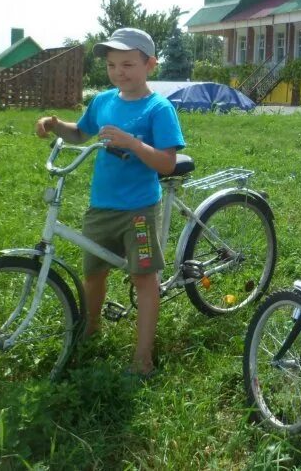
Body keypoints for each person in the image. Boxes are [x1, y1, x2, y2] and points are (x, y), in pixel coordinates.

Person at [36, 27, 185, 378]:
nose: (120, 72)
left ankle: (143, 356)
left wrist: (133, 144)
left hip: (138, 210)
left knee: (144, 278)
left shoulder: (158, 108)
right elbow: (80, 133)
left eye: (129, 64)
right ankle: (90, 332)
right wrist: (56, 124)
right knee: (93, 274)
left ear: (150, 65)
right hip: (101, 206)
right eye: (113, 65)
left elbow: (167, 163)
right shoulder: (103, 101)